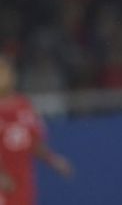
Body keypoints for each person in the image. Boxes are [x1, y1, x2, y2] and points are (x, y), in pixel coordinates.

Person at [0, 57, 73, 205]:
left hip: (22, 181)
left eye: (5, 72)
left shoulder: (23, 105)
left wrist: (53, 160)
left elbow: (34, 141)